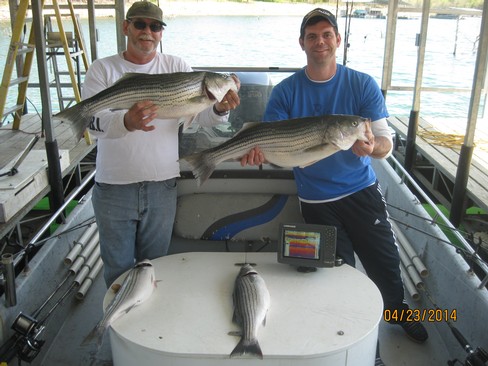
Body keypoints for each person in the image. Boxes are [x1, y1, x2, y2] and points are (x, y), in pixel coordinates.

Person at [241, 8, 428, 365]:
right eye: (312, 36)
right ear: (302, 43)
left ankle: (398, 313)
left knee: (386, 266)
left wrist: (373, 148)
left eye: (327, 35)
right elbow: (274, 145)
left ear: (338, 40)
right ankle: (354, 343)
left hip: (361, 192)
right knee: (338, 275)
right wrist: (257, 152)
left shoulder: (361, 84)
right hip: (315, 200)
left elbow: (386, 143)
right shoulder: (284, 93)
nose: (320, 42)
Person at [82, 1, 240, 287]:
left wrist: (219, 109)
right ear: (125, 27)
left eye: (155, 26)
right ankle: (115, 328)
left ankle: (146, 330)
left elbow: (201, 117)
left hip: (162, 186)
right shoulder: (103, 69)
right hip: (114, 187)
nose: (147, 32)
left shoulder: (177, 66)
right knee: (117, 271)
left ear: (161, 32)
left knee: (155, 269)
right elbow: (92, 122)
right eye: (140, 24)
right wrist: (126, 122)